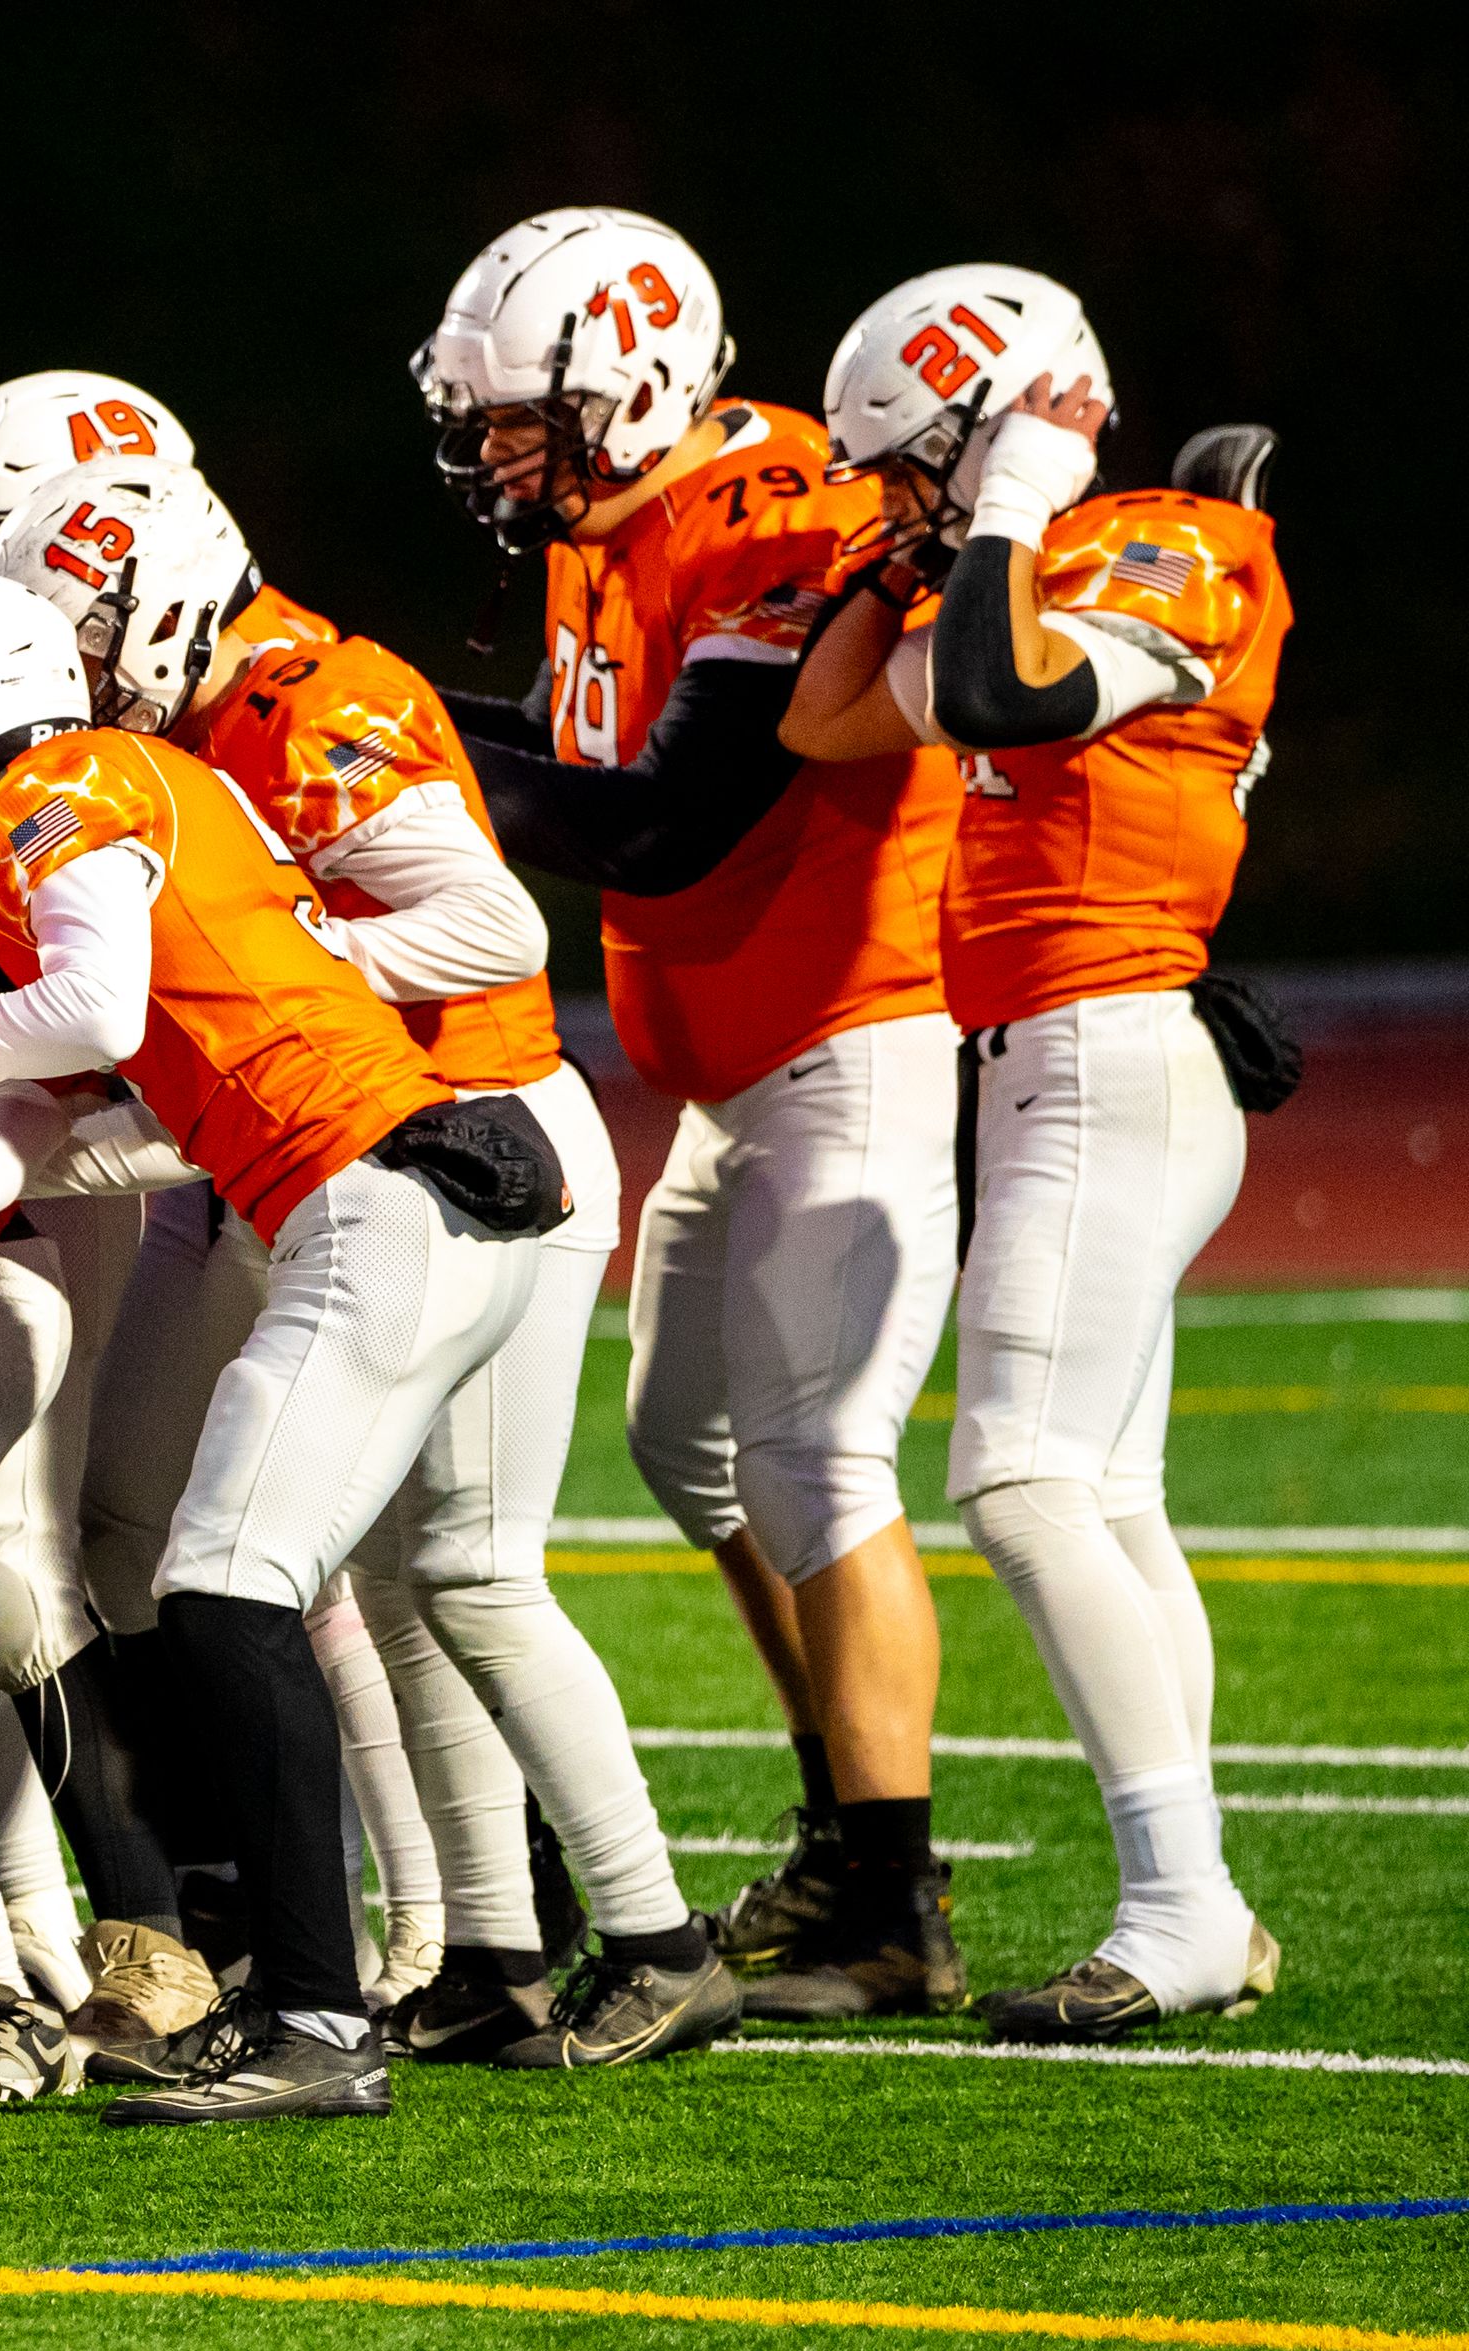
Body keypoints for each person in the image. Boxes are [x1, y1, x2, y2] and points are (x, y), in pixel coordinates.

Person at [0, 459, 734, 2071]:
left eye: (86, 641)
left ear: (171, 598)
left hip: (452, 1130)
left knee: (410, 1567)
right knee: (422, 1578)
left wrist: (300, 960)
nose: (74, 686)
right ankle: (523, 1947)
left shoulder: (302, 700)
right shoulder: (200, 719)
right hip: (405, 1144)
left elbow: (494, 926)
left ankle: (593, 1942)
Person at [0, 570, 576, 2122]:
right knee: (239, 1586)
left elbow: (90, 1009)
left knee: (227, 1591)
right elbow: (125, 1090)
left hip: (378, 1203)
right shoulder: (154, 783)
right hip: (398, 1192)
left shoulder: (52, 783)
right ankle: (319, 1999)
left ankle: (320, 2016)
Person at [412, 208, 970, 2021]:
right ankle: (839, 1829)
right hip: (739, 1070)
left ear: (637, 390)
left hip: (852, 1034)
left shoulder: (776, 516)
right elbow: (583, 760)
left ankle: (894, 1894)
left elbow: (669, 822)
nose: (503, 456)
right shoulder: (620, 519)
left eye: (526, 420)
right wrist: (408, 722)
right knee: (688, 1448)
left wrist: (403, 761)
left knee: (822, 1459)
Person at [786, 265, 1293, 2041]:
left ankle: (1179, 1902)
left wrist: (1006, 496)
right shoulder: (1035, 570)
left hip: (1109, 1048)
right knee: (1107, 1492)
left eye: (923, 463)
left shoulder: (1167, 546)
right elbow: (835, 715)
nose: (907, 501)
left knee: (1017, 1482)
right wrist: (905, 550)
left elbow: (999, 697)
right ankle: (1199, 1902)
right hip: (1064, 1058)